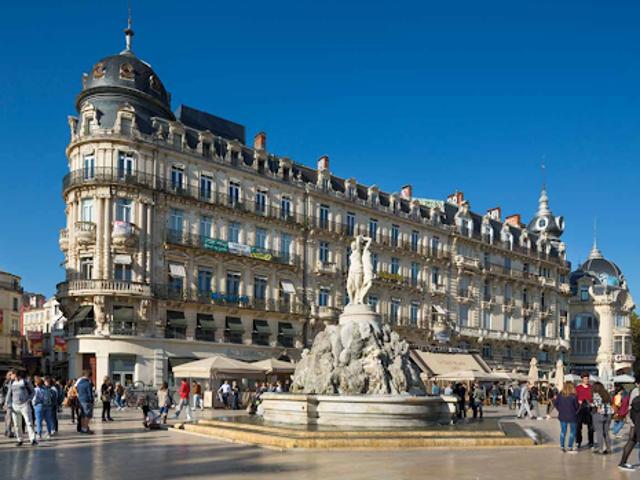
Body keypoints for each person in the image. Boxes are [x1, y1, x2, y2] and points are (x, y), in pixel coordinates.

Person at [5, 370, 37, 446]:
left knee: (29, 422)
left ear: (16, 375)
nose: (11, 376)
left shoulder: (25, 382)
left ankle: (33, 439)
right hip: (14, 405)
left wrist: (29, 399)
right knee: (16, 424)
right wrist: (6, 402)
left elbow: (33, 391)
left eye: (12, 374)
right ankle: (19, 439)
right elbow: (9, 393)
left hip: (24, 405)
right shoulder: (11, 382)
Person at [619, 377, 640, 471]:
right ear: (637, 384)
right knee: (632, 440)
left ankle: (622, 462)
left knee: (632, 441)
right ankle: (622, 463)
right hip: (635, 421)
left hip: (635, 420)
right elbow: (635, 406)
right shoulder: (636, 391)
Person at [554, 381, 579, 453]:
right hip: (572, 416)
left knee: (563, 431)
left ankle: (562, 446)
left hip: (562, 415)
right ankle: (570, 446)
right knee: (572, 431)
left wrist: (560, 410)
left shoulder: (560, 395)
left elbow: (556, 403)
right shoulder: (574, 396)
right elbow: (576, 406)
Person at [591, 381, 612, 454]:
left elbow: (597, 404)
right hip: (608, 414)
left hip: (599, 414)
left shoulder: (596, 394)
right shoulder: (606, 394)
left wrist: (591, 404)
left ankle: (600, 449)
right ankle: (609, 449)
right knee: (606, 432)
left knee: (599, 432)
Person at [32, 376, 55, 440]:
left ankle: (39, 434)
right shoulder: (47, 389)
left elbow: (34, 399)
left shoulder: (36, 389)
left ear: (36, 383)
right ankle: (48, 434)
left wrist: (34, 405)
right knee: (48, 421)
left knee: (39, 421)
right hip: (48, 406)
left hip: (39, 406)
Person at [575, 371, 594, 449]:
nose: (586, 380)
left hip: (589, 409)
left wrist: (592, 403)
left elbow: (594, 397)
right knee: (578, 426)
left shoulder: (591, 388)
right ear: (582, 379)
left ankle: (591, 442)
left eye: (587, 378)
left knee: (591, 427)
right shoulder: (578, 388)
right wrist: (578, 401)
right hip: (580, 409)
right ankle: (578, 441)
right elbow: (575, 398)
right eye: (585, 379)